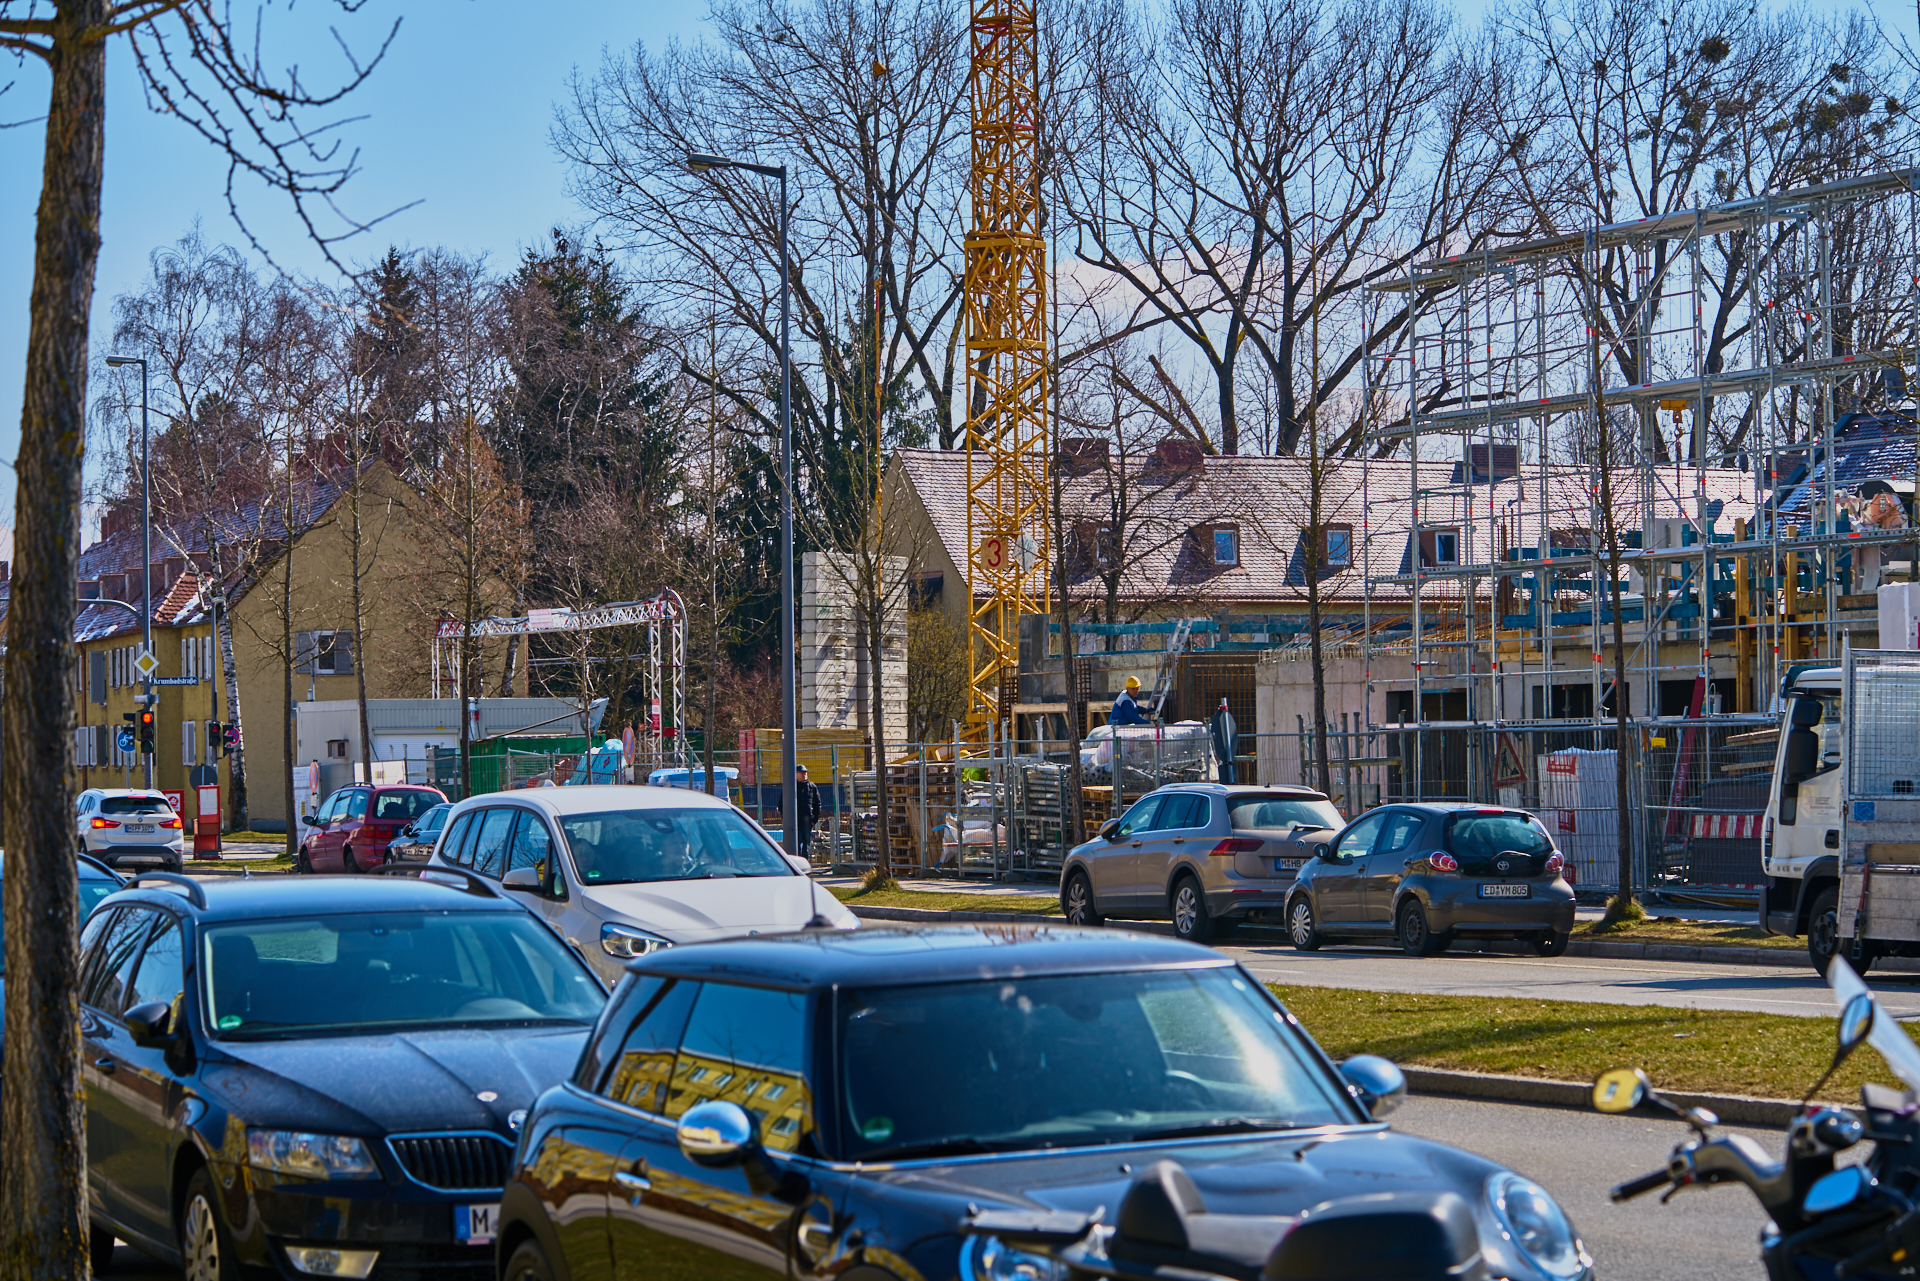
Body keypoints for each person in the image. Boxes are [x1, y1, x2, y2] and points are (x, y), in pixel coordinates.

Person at [794, 764, 824, 864]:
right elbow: (782, 804)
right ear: (796, 774)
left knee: (806, 847)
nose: (804, 774)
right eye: (802, 772)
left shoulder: (812, 787)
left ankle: (804, 866)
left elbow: (818, 804)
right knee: (797, 846)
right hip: (795, 823)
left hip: (808, 823)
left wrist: (814, 820)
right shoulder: (791, 787)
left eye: (805, 772)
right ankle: (797, 866)